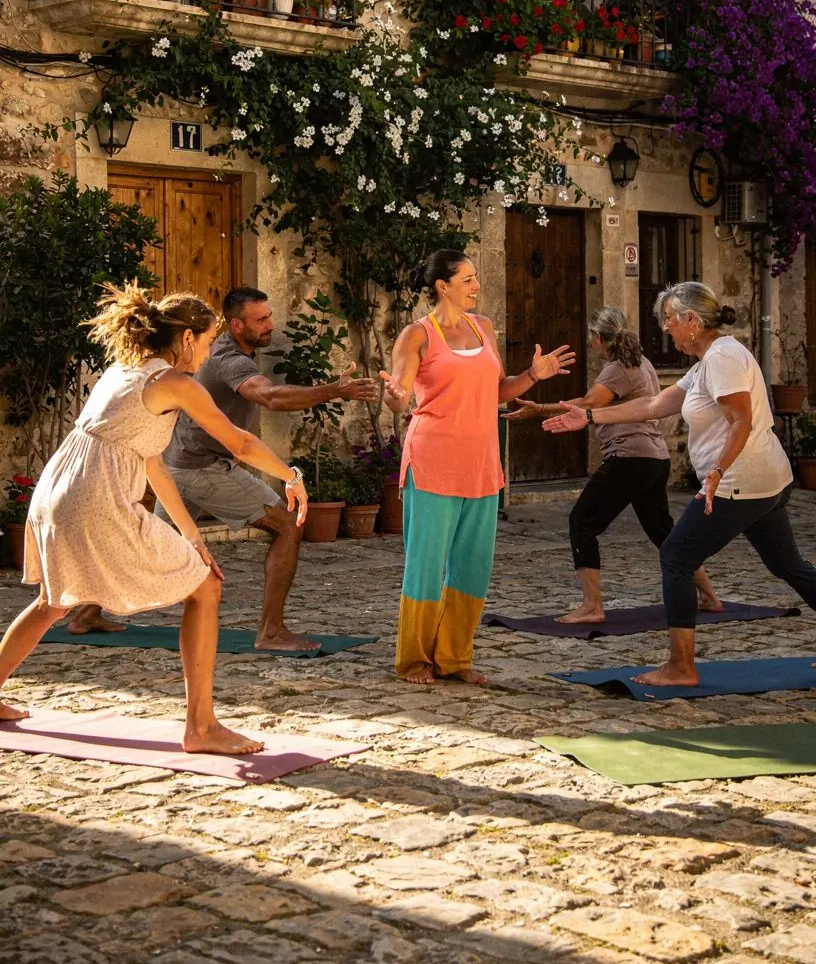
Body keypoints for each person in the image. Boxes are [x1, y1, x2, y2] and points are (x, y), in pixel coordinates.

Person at [0, 284, 308, 752]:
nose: (208, 353)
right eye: (206, 342)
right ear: (186, 339)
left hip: (57, 491)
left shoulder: (123, 372)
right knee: (205, 588)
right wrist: (291, 475)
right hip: (94, 497)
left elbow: (153, 463)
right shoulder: (175, 383)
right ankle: (201, 728)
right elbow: (239, 443)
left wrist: (192, 536)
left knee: (53, 602)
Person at [543, 281, 816, 686]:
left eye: (669, 319)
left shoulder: (723, 358)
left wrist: (717, 471)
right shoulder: (708, 360)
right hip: (767, 479)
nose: (665, 328)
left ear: (691, 320)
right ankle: (681, 664)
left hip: (739, 482)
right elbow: (655, 405)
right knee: (786, 565)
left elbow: (742, 421)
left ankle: (682, 667)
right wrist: (590, 417)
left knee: (675, 556)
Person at [380, 249, 576, 687]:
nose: (476, 286)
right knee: (426, 564)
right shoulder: (417, 336)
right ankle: (414, 660)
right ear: (442, 286)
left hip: (481, 461)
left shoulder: (483, 328)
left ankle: (454, 657)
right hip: (432, 460)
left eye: (475, 278)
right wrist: (393, 395)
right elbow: (400, 394)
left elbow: (498, 390)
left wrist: (533, 375)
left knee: (472, 564)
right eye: (467, 279)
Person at [154, 286, 377, 651]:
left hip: (178, 463)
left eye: (270, 316)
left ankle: (86, 612)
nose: (270, 325)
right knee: (287, 525)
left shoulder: (231, 352)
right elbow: (270, 397)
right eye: (261, 320)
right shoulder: (229, 358)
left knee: (152, 545)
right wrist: (334, 391)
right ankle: (271, 632)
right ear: (236, 325)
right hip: (203, 468)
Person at [509, 306, 720, 623]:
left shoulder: (618, 368)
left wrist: (539, 408)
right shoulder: (642, 362)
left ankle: (592, 606)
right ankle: (709, 596)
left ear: (596, 338)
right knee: (663, 531)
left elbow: (589, 405)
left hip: (630, 458)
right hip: (655, 459)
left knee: (582, 523)